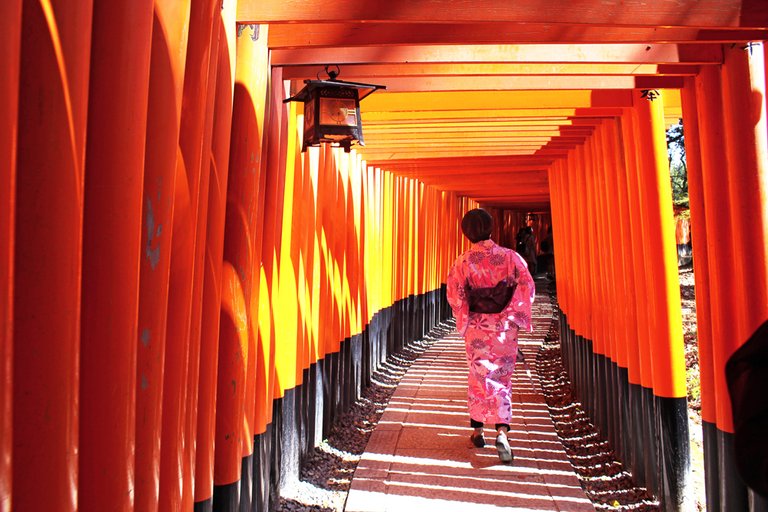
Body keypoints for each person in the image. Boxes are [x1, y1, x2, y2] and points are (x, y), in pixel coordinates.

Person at [447, 208, 535, 464]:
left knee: (478, 376)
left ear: (466, 234)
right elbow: (526, 284)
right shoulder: (510, 257)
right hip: (504, 327)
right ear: (491, 229)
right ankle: (502, 431)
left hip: (476, 326)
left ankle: (477, 431)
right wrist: (514, 314)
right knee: (502, 377)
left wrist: (464, 317)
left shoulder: (463, 261)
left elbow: (455, 294)